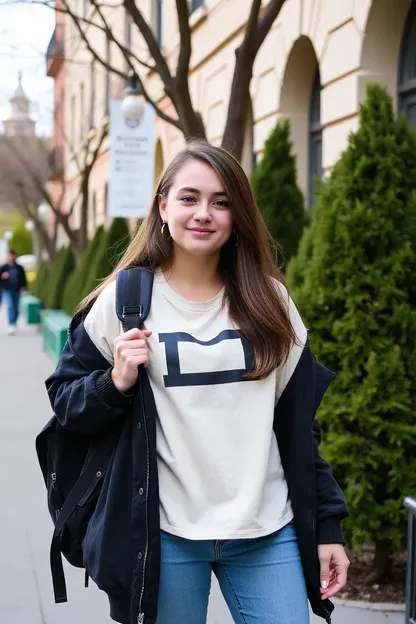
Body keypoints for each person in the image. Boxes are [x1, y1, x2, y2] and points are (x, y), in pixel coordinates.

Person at [45, 141, 350, 624]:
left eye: (221, 202)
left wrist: (328, 527)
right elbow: (65, 401)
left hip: (267, 529)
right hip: (163, 534)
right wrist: (115, 381)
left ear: (237, 216)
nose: (203, 213)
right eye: (189, 198)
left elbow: (299, 429)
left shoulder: (271, 302)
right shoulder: (124, 301)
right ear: (163, 207)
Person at [0, 249, 27, 335]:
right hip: (7, 290)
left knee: (16, 308)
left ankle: (14, 322)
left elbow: (23, 278)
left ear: (13, 256)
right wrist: (2, 277)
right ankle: (11, 324)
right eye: (7, 256)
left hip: (17, 290)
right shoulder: (4, 267)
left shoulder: (18, 267)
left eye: (10, 256)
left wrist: (23, 286)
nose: (9, 257)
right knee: (10, 306)